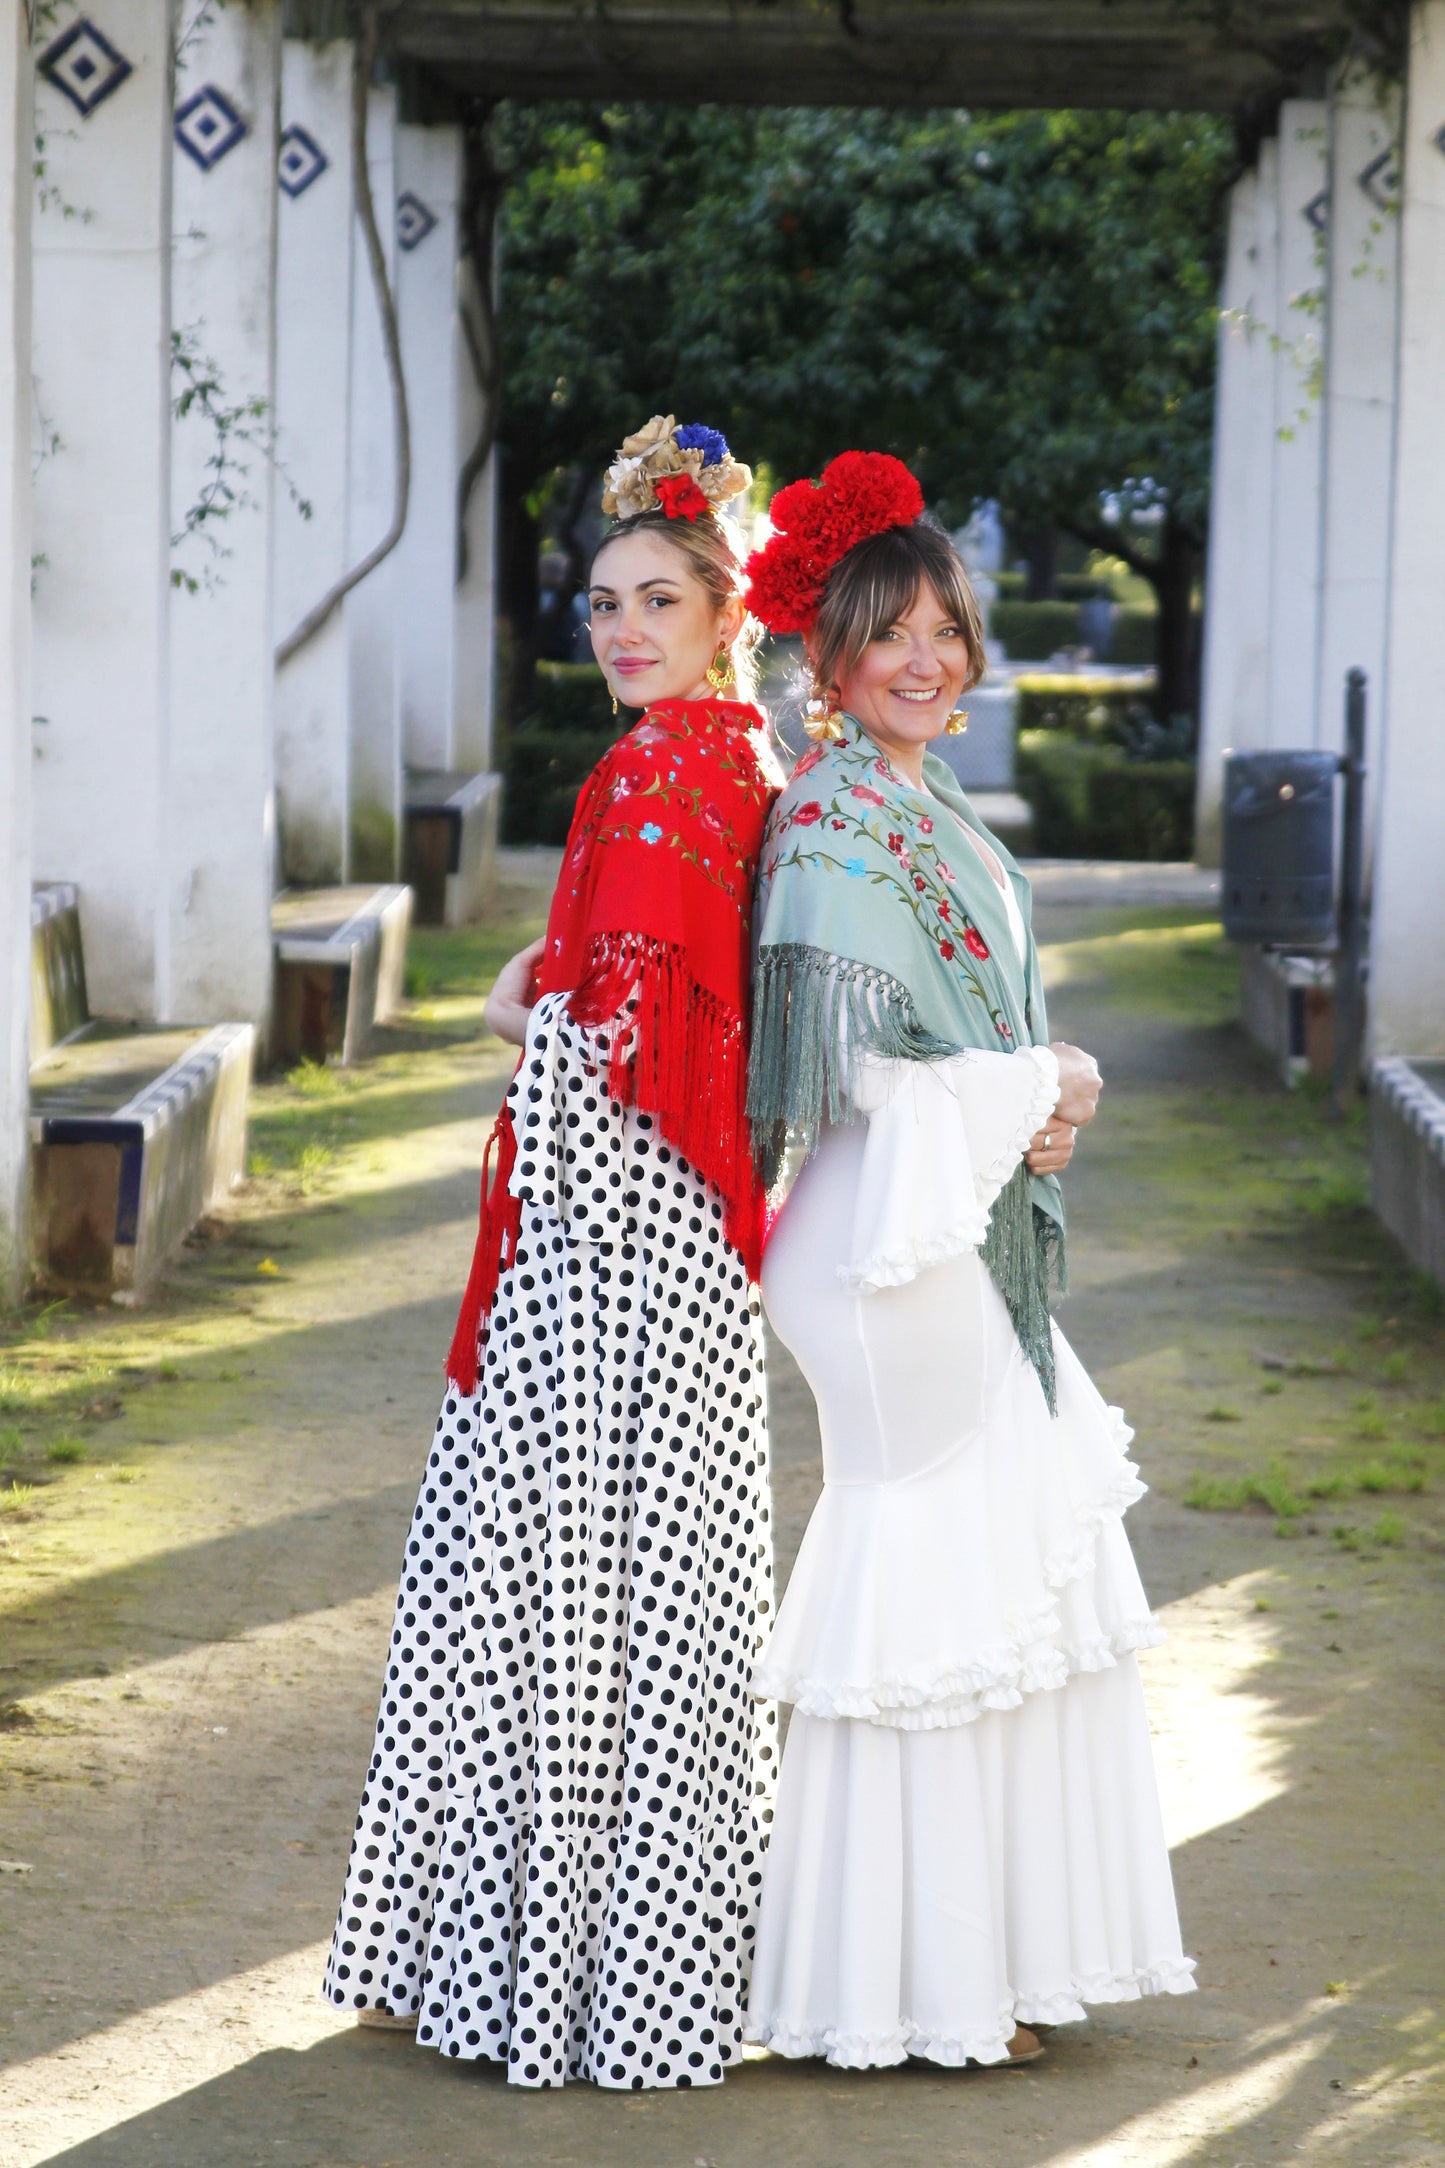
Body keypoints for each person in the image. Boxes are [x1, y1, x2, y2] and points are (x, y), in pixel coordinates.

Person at [323, 417, 782, 2090]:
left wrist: (528, 1022)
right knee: (643, 1602)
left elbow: (628, 1045)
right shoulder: (723, 758)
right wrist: (552, 991)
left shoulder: (668, 769)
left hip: (609, 1253)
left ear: (726, 612)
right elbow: (646, 992)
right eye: (602, 603)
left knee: (541, 1591)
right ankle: (634, 1975)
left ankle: (530, 1973)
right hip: (666, 1249)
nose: (623, 630)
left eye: (659, 600)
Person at [739, 451, 1194, 2070]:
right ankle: (909, 1990)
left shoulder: (917, 799)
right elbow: (863, 1073)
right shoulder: (830, 818)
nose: (924, 658)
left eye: (944, 627)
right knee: (934, 1588)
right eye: (889, 632)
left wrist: (1034, 1099)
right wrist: (1047, 1078)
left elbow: (960, 1058)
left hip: (938, 1219)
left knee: (996, 1573)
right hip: (883, 1245)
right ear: (829, 654)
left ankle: (968, 1969)